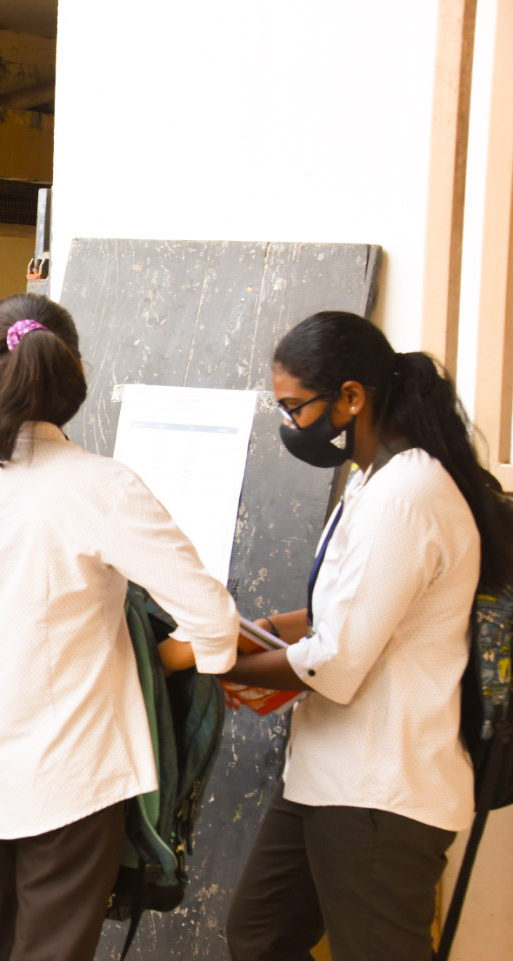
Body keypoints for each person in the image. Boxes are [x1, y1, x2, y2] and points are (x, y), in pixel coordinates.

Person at [0, 293, 239, 961]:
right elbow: (215, 625)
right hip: (76, 778)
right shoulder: (103, 486)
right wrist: (154, 659)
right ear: (74, 371)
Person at [222, 311, 511, 961]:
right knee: (260, 935)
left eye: (295, 407)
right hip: (326, 778)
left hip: (381, 789)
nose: (289, 424)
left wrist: (220, 664)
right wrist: (265, 632)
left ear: (351, 397)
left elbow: (337, 661)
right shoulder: (373, 480)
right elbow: (350, 609)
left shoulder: (408, 492)